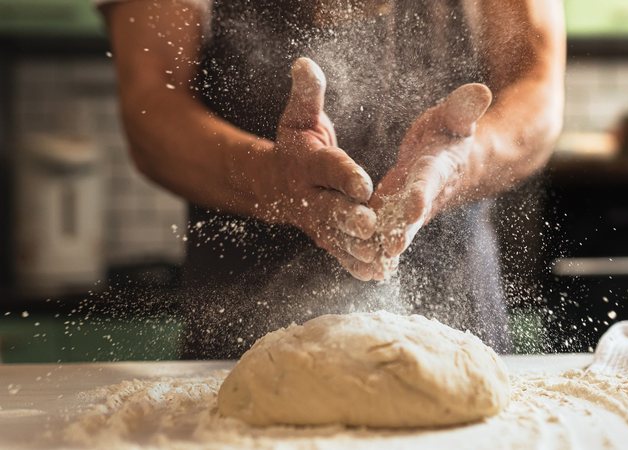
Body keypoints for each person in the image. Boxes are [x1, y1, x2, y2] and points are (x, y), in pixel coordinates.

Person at [98, 0, 565, 358]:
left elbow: (537, 89)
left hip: (458, 314)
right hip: (241, 329)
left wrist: (460, 163)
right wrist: (274, 182)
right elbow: (151, 110)